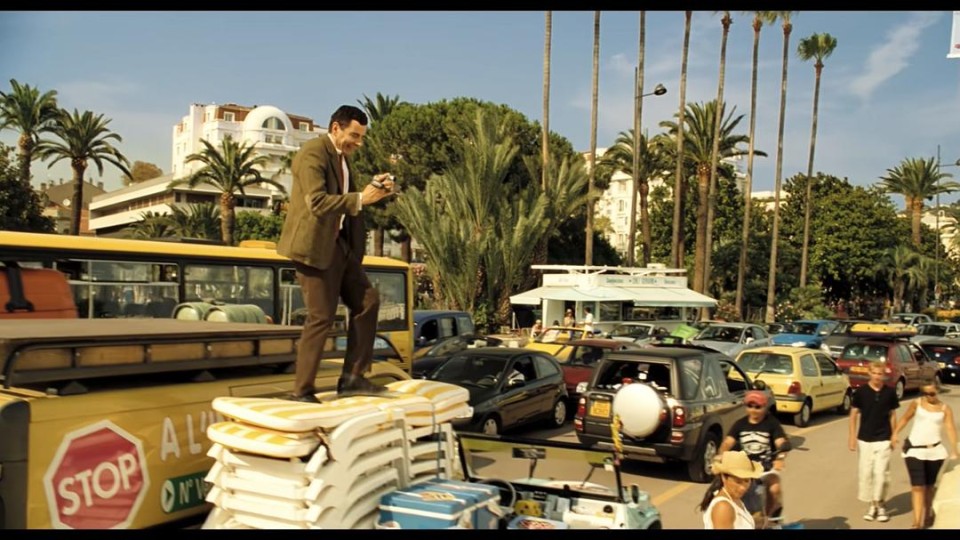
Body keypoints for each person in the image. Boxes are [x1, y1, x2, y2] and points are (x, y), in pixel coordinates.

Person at [277, 105, 396, 402]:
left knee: (368, 302)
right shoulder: (312, 153)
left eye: (362, 137)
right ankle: (302, 391)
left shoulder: (341, 158)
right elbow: (317, 203)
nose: (359, 142)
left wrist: (375, 190)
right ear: (335, 128)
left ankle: (354, 379)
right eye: (354, 135)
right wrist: (361, 198)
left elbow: (348, 201)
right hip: (313, 247)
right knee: (321, 317)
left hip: (339, 245)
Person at [717, 390, 789, 527]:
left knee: (775, 488)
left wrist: (780, 457)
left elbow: (781, 442)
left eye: (757, 407)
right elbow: (727, 442)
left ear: (764, 407)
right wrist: (721, 454)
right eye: (750, 406)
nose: (753, 410)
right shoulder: (740, 424)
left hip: (766, 468)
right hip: (745, 470)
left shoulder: (772, 423)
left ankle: (770, 519)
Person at [891, 383, 958, 528]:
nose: (928, 397)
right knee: (917, 486)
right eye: (925, 393)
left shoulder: (945, 409)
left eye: (931, 393)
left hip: (935, 451)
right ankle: (916, 523)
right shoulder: (917, 403)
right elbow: (905, 418)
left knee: (929, 487)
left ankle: (928, 514)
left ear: (937, 391)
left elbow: (950, 428)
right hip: (914, 450)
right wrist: (895, 433)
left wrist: (955, 449)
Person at [848, 361, 899, 522]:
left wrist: (894, 435)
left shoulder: (889, 392)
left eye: (880, 374)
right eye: (874, 373)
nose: (877, 376)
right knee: (866, 472)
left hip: (884, 438)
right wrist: (852, 437)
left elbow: (892, 415)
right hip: (865, 438)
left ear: (884, 374)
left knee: (881, 473)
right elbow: (853, 414)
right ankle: (872, 504)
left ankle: (881, 504)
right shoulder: (861, 392)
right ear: (869, 373)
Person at [699, 450, 764, 529]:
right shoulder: (723, 508)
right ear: (724, 478)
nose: (743, 487)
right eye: (738, 482)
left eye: (746, 481)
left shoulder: (734, 499)